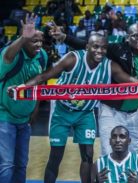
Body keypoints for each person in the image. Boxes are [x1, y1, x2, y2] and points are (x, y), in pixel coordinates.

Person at [16, 33, 138, 183]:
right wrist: (21, 88)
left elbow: (131, 81)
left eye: (103, 48)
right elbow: (44, 76)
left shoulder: (109, 66)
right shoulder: (72, 59)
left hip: (86, 113)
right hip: (62, 110)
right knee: (56, 156)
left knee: (88, 155)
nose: (99, 51)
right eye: (95, 46)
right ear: (87, 46)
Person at [50, 23, 138, 155]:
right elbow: (88, 46)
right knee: (109, 152)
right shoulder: (117, 49)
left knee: (133, 154)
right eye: (136, 35)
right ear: (128, 38)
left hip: (135, 114)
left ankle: (127, 176)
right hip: (112, 111)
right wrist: (64, 37)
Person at [0, 14, 47, 183]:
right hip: (4, 118)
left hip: (25, 120)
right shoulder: (11, 55)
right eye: (34, 41)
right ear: (24, 40)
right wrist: (23, 38)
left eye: (41, 41)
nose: (39, 45)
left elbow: (39, 85)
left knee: (21, 164)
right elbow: (7, 55)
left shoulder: (42, 56)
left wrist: (35, 110)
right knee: (6, 165)